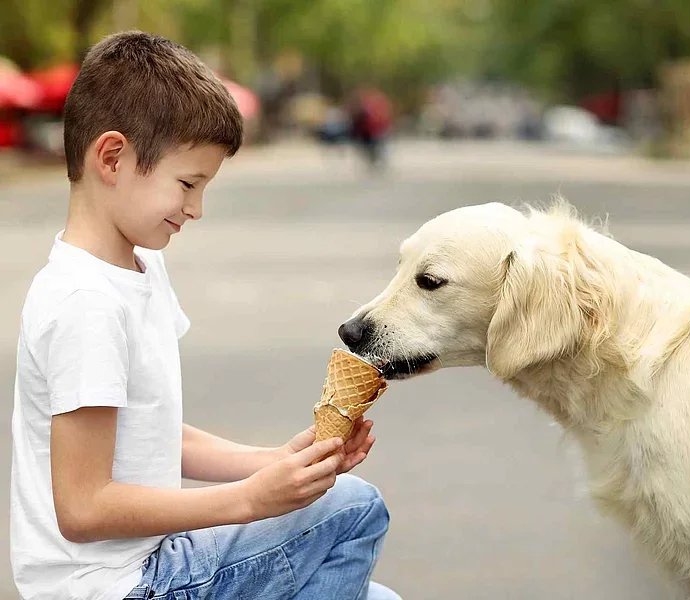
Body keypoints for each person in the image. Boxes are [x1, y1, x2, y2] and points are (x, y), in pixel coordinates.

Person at [9, 31, 400, 600]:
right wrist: (248, 500)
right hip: (119, 585)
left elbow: (154, 433)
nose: (196, 209)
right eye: (188, 184)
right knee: (355, 508)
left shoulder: (139, 268)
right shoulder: (85, 304)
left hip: (153, 561)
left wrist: (276, 464)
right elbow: (83, 507)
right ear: (112, 157)